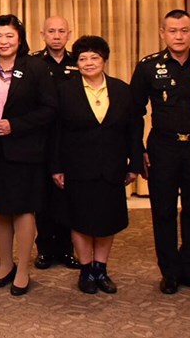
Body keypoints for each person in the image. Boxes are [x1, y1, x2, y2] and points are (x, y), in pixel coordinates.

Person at [130, 9, 190, 296]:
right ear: (162, 33)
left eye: (184, 30)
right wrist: (139, 150)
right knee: (163, 211)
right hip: (163, 147)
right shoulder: (148, 66)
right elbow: (135, 113)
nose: (179, 36)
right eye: (172, 30)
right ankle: (170, 272)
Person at [51, 35, 144, 294]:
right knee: (80, 220)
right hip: (77, 167)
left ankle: (101, 269)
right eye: (82, 58)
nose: (88, 62)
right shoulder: (64, 90)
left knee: (108, 220)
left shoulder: (122, 89)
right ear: (76, 62)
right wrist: (56, 167)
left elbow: (134, 129)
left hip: (112, 168)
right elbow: (55, 133)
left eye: (94, 57)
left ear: (104, 60)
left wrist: (135, 163)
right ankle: (85, 271)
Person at [0, 14, 57, 296]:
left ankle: (23, 268)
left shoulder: (35, 67)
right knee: (0, 208)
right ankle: (5, 264)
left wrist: (16, 125)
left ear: (19, 38)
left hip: (25, 150)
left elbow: (49, 109)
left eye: (9, 36)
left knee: (23, 209)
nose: (3, 41)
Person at [29, 16, 81, 271]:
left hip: (71, 138)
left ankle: (66, 249)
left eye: (61, 31)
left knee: (67, 195)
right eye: (51, 31)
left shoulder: (79, 62)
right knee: (44, 196)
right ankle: (45, 249)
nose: (57, 35)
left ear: (69, 34)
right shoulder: (34, 63)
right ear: (43, 34)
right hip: (41, 137)